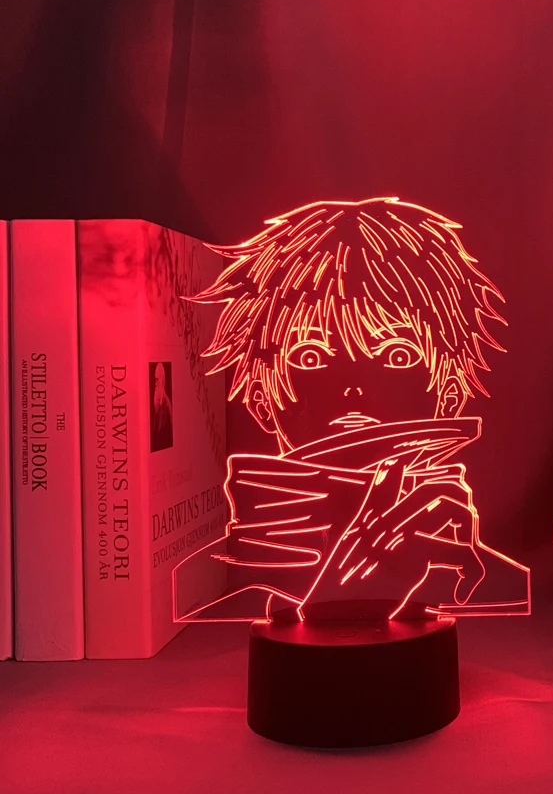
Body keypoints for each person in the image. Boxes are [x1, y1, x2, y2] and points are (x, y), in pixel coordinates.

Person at [172, 198, 529, 624]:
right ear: (261, 400)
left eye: (397, 355)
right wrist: (338, 597)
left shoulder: (486, 582)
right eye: (310, 356)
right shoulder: (206, 587)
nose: (353, 387)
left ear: (450, 396)